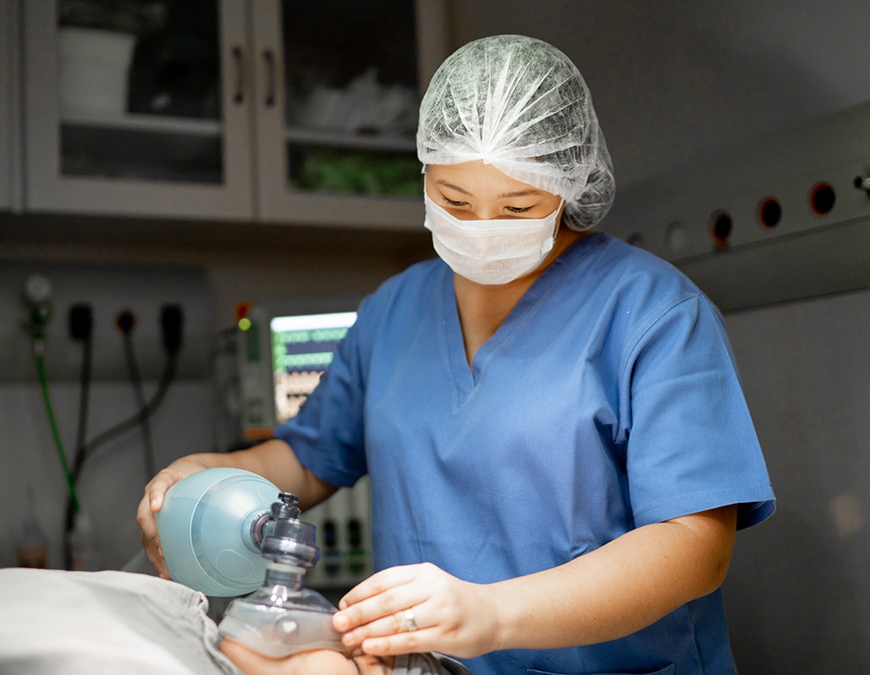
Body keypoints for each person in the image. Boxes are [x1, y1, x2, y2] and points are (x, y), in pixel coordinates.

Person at [137, 34, 775, 675]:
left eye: (518, 206)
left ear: (572, 183)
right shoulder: (395, 310)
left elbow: (695, 545)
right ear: (424, 175)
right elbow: (307, 458)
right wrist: (209, 473)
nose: (482, 228)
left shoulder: (653, 314)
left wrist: (492, 616)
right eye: (454, 201)